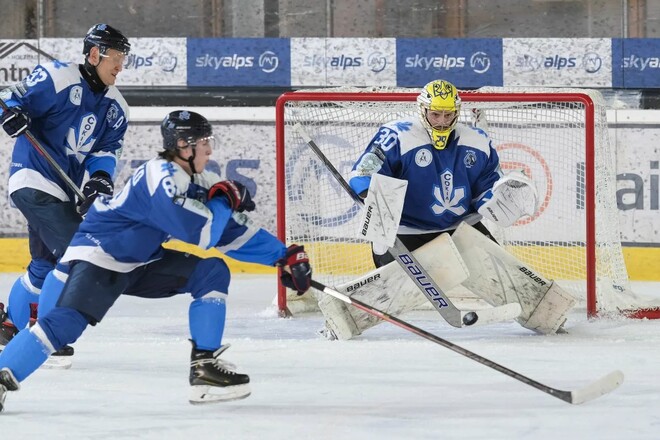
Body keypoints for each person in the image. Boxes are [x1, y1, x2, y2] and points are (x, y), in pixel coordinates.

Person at [0, 110, 312, 410]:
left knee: (211, 272)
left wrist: (282, 256)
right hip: (100, 255)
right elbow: (200, 232)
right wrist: (222, 202)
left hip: (140, 260)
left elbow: (229, 233)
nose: (210, 149)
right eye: (204, 143)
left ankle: (204, 368)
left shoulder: (197, 179)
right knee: (62, 327)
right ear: (183, 146)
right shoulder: (160, 176)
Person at [317, 79, 566, 340]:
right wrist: (369, 193)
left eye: (448, 114)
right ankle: (340, 320)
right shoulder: (397, 135)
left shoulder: (477, 142)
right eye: (436, 114)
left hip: (459, 229)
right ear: (422, 110)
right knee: (389, 290)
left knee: (504, 275)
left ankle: (547, 314)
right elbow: (363, 171)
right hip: (405, 231)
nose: (442, 121)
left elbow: (486, 187)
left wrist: (495, 201)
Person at [0, 24, 131, 359]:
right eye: (115, 56)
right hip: (31, 179)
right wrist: (10, 113)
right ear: (93, 54)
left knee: (43, 265)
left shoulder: (116, 108)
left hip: (62, 192)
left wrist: (99, 180)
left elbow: (106, 151)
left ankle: (10, 326)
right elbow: (9, 99)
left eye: (123, 57)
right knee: (79, 251)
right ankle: (46, 330)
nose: (120, 64)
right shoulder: (57, 77)